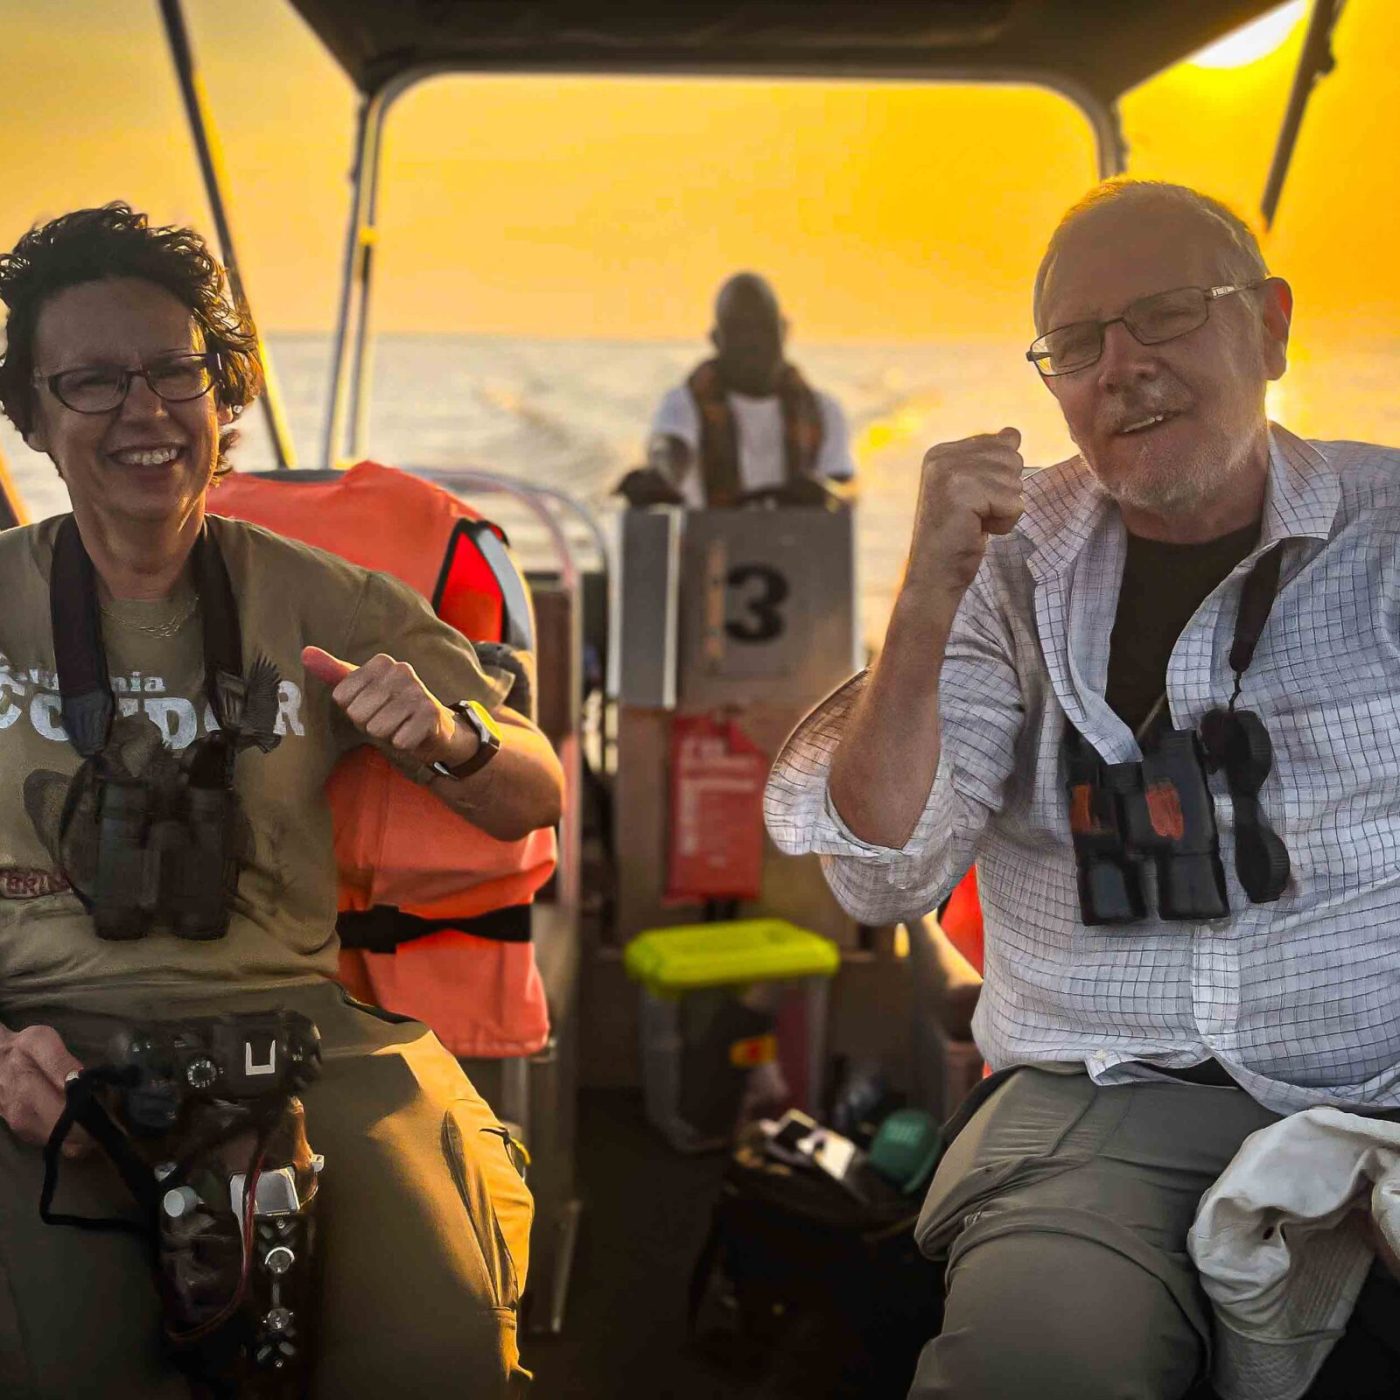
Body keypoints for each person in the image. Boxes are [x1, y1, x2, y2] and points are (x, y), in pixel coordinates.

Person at [765, 178, 1400, 1398]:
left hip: (1375, 1088)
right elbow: (881, 870)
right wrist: (924, 592)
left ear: (1268, 326)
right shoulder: (1005, 569)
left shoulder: (1389, 534)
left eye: (1163, 314)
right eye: (1074, 343)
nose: (1120, 366)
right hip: (1095, 1102)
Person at [0, 204, 564, 1398]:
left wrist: (450, 739)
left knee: (443, 1347)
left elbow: (531, 790)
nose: (144, 410)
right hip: (39, 1053)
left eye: (174, 371)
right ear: (32, 417)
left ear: (223, 395)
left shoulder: (324, 598)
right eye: (92, 382)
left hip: (300, 1039)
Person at [646, 272, 855, 507]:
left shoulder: (825, 411)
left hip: (802, 542)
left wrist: (824, 491)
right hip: (709, 543)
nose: (754, 341)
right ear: (716, 339)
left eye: (763, 328)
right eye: (739, 329)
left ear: (784, 330)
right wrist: (657, 478)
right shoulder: (684, 404)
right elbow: (670, 452)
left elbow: (846, 490)